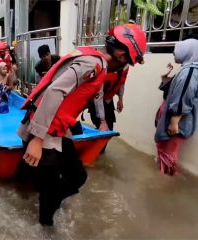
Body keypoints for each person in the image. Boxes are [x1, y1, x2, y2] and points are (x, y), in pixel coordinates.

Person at [17, 23, 147, 226]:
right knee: (49, 196)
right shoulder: (91, 64)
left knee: (77, 176)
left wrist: (103, 121)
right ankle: (46, 223)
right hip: (42, 131)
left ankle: (51, 199)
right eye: (129, 62)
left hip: (58, 129)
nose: (127, 66)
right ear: (122, 57)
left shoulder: (99, 67)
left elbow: (94, 96)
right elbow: (54, 91)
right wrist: (37, 138)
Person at [155, 38, 198, 176]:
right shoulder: (186, 69)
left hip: (176, 123)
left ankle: (165, 182)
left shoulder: (190, 71)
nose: (174, 53)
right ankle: (163, 176)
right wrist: (165, 77)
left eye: (178, 50)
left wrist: (174, 122)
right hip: (171, 120)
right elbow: (174, 91)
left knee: (168, 154)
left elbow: (183, 96)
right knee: (164, 152)